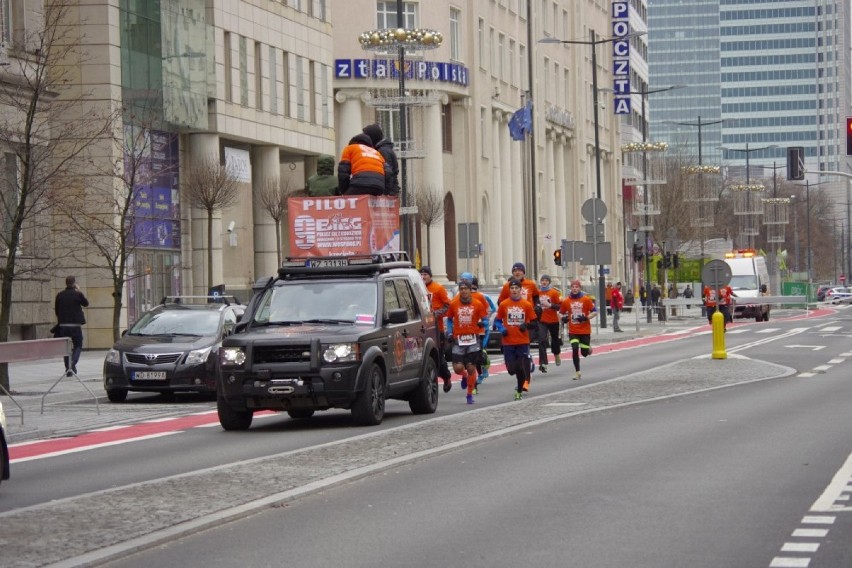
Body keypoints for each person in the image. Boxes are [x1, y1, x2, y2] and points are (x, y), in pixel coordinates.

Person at [445, 279, 490, 405]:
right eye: (461, 289)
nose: (463, 291)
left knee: (471, 367)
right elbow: (449, 320)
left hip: (473, 339)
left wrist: (482, 324)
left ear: (470, 290)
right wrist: (449, 332)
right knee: (458, 368)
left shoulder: (478, 304)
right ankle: (464, 376)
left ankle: (469, 395)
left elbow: (486, 321)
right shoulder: (454, 304)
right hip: (458, 339)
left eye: (466, 289)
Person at [495, 279, 537, 400]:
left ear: (520, 290)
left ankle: (519, 391)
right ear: (509, 290)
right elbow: (497, 320)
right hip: (508, 342)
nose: (514, 290)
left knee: (520, 367)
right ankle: (524, 370)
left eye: (516, 288)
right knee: (511, 370)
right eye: (512, 288)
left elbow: (534, 323)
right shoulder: (504, 304)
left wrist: (526, 326)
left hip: (522, 342)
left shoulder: (526, 305)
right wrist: (502, 328)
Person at [420, 266, 453, 390]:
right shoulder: (418, 288)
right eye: (421, 275)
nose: (423, 277)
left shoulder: (438, 289)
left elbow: (448, 305)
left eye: (425, 275)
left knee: (438, 355)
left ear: (430, 276)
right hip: (422, 328)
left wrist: (436, 313)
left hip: (436, 329)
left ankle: (446, 377)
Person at [559, 279, 597, 381]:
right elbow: (560, 313)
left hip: (585, 330)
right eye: (573, 287)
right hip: (573, 330)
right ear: (570, 288)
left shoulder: (586, 299)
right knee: (575, 348)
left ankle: (588, 349)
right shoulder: (567, 301)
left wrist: (586, 318)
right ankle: (577, 372)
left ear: (580, 288)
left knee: (584, 353)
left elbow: (595, 311)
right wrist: (563, 318)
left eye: (576, 287)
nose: (574, 289)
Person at [466, 273, 496, 390]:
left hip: (482, 329)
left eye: (473, 288)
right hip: (468, 330)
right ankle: (480, 370)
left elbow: (492, 308)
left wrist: (485, 318)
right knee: (471, 355)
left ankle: (483, 367)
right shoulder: (463, 298)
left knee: (479, 351)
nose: (471, 291)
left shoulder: (483, 296)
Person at [54, 275, 89, 374]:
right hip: (75, 326)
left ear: (66, 283)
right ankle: (72, 363)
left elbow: (56, 311)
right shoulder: (77, 294)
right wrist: (79, 291)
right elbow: (86, 303)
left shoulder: (60, 295)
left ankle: (69, 369)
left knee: (66, 348)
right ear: (74, 283)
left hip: (63, 326)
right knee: (78, 345)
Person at [362, 123, 400, 195]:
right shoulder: (384, 149)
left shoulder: (382, 151)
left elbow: (388, 173)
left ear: (372, 137)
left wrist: (385, 193)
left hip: (388, 193)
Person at [536, 274, 562, 372]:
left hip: (553, 320)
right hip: (542, 320)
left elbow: (559, 307)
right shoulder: (537, 293)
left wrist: (550, 305)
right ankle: (543, 362)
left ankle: (556, 354)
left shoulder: (554, 293)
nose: (544, 282)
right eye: (543, 280)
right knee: (541, 340)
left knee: (555, 340)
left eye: (546, 280)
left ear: (549, 282)